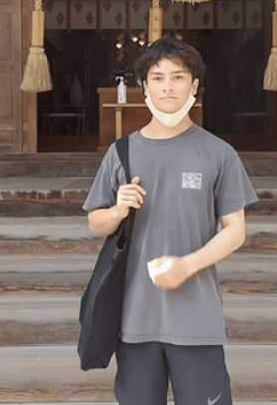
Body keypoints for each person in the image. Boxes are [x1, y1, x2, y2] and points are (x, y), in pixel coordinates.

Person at [83, 36, 258, 405]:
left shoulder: (218, 153)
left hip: (197, 320)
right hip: (134, 319)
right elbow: (96, 223)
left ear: (194, 86)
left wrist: (187, 265)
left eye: (178, 77)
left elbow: (236, 230)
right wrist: (116, 211)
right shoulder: (122, 152)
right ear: (144, 86)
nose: (167, 86)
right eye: (158, 77)